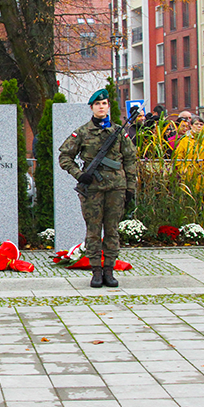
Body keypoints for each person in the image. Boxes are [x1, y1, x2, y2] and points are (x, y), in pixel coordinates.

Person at [59, 88, 137, 288]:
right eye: (97, 104)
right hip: (92, 189)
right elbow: (64, 157)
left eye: (104, 104)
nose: (101, 107)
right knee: (93, 231)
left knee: (112, 230)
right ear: (92, 107)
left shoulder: (119, 132)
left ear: (108, 106)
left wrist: (130, 188)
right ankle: (96, 271)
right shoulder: (83, 132)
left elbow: (130, 161)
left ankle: (109, 271)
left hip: (116, 189)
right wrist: (79, 174)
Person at [173, 116, 204, 220]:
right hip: (191, 177)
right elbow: (178, 157)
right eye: (196, 124)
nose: (199, 126)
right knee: (192, 205)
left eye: (201, 124)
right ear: (191, 126)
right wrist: (183, 170)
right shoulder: (185, 140)